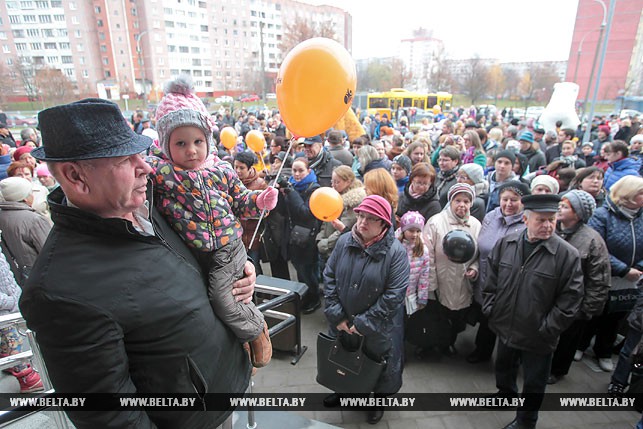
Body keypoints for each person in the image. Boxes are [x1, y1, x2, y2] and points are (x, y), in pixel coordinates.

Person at [19, 98, 257, 428]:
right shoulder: (59, 291)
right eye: (125, 159)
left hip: (226, 391)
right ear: (75, 176)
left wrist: (241, 270)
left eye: (140, 154)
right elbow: (112, 415)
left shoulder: (151, 204)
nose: (145, 166)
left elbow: (205, 249)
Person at [148, 77, 275, 369]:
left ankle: (256, 329)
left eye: (197, 141)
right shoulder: (160, 172)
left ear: (208, 140)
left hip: (228, 246)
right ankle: (240, 338)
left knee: (222, 297)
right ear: (165, 144)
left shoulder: (221, 170)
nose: (191, 150)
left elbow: (241, 201)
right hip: (195, 250)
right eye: (180, 143)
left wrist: (259, 201)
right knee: (219, 299)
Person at [483, 193, 583, 429]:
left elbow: (571, 298)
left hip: (539, 333)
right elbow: (492, 277)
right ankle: (505, 395)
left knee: (534, 382)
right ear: (526, 220)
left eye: (552, 219)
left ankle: (526, 420)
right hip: (505, 323)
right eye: (541, 220)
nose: (548, 225)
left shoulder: (567, 255)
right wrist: (491, 307)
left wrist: (548, 327)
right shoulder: (507, 243)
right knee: (504, 366)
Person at [322, 195, 409, 424]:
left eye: (371, 219)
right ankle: (345, 393)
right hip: (342, 321)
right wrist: (336, 314)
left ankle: (376, 402)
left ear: (384, 224)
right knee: (343, 357)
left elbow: (394, 295)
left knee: (377, 363)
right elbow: (329, 276)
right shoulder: (344, 241)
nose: (362, 222)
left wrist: (362, 324)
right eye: (360, 215)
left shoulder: (396, 253)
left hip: (378, 328)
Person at [578, 175, 643, 372]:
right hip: (603, 274)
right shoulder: (602, 215)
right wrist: (623, 269)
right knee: (595, 311)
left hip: (633, 278)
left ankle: (603, 351)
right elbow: (598, 246)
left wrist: (638, 268)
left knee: (616, 315)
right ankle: (581, 344)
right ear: (629, 195)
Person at [547, 190, 610, 384]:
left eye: (565, 207)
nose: (559, 209)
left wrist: (587, 309)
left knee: (567, 339)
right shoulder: (551, 228)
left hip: (574, 302)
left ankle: (557, 369)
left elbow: (598, 279)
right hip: (547, 296)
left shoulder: (592, 240)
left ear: (579, 213)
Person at [467, 181, 530, 364]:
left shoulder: (527, 224)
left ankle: (508, 361)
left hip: (510, 282)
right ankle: (482, 351)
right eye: (505, 199)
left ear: (523, 202)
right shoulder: (491, 217)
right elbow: (481, 247)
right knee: (486, 318)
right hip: (486, 278)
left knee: (505, 322)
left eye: (514, 200)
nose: (508, 204)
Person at [423, 183, 481, 356]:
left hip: (463, 282)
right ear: (451, 201)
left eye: (466, 201)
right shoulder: (436, 222)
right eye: (458, 200)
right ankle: (435, 344)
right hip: (441, 278)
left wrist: (474, 268)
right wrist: (431, 282)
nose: (462, 205)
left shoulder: (476, 225)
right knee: (438, 316)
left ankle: (450, 342)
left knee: (457, 316)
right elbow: (428, 253)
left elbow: (479, 254)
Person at [277, 157, 322, 313]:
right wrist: (280, 194)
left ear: (308, 171)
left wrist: (290, 192)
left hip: (307, 238)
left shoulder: (313, 188)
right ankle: (306, 295)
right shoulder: (292, 186)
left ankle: (314, 297)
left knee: (307, 271)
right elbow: (283, 211)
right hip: (292, 236)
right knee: (300, 270)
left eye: (300, 170)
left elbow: (306, 213)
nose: (296, 174)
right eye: (294, 170)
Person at [0, 242, 44, 393]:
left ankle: (22, 373)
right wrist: (10, 301)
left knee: (15, 343)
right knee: (13, 344)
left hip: (10, 306)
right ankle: (26, 378)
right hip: (5, 310)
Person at [0, 177, 52, 286]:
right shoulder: (33, 220)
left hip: (16, 279)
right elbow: (51, 252)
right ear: (25, 198)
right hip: (41, 279)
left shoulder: (2, 216)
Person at [316, 165, 366, 263]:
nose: (333, 185)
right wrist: (319, 238)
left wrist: (326, 244)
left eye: (337, 182)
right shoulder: (334, 196)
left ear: (348, 181)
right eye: (332, 181)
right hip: (327, 244)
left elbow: (344, 228)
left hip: (337, 250)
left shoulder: (353, 202)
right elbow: (325, 220)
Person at [234, 151, 268, 275]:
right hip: (235, 236)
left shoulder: (260, 184)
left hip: (252, 236)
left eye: (241, 168)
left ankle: (262, 293)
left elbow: (265, 212)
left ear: (250, 168)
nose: (237, 171)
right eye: (236, 167)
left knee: (253, 267)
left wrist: (245, 210)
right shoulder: (232, 182)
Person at [396, 211, 430, 317]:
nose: (415, 234)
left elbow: (424, 276)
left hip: (410, 296)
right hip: (394, 297)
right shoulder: (395, 246)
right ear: (403, 229)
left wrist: (422, 297)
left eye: (418, 231)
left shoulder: (423, 250)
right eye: (411, 230)